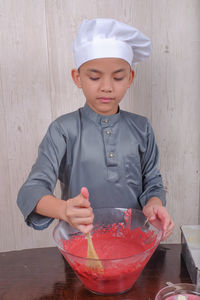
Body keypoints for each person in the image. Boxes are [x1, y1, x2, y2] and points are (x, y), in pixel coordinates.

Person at [17, 18, 174, 240]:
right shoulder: (63, 129)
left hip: (134, 244)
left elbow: (153, 184)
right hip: (81, 246)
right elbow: (30, 191)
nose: (107, 87)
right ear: (77, 77)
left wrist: (154, 205)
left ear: (130, 78)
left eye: (118, 77)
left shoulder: (142, 128)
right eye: (94, 77)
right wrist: (64, 210)